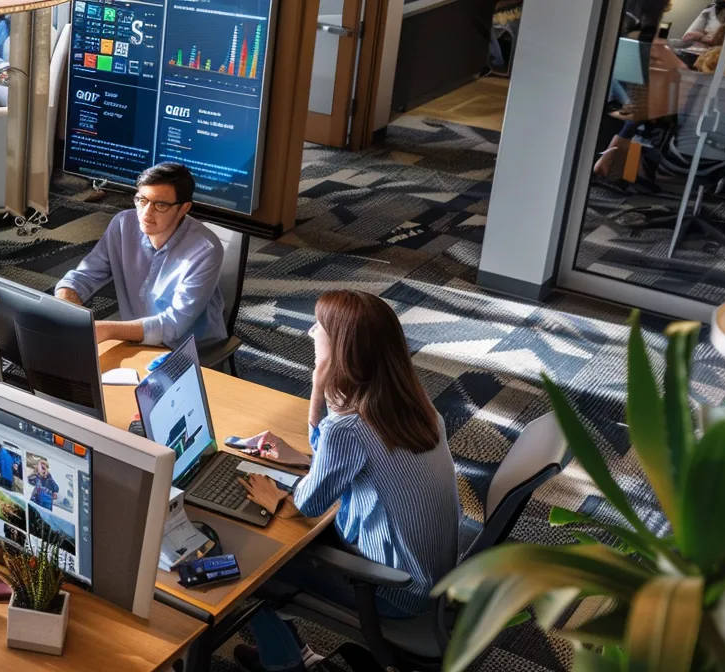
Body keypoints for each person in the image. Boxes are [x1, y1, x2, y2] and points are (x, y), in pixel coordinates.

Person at [228, 290, 459, 672]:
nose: (309, 332)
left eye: (319, 327)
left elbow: (306, 507)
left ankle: (285, 663)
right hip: (431, 577)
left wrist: (273, 496)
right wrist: (305, 457)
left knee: (246, 555)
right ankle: (287, 653)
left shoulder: (349, 428)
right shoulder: (415, 404)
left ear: (341, 348)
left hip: (392, 590)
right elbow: (358, 463)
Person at [53, 163, 227, 348]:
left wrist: (108, 330)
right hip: (135, 339)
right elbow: (84, 276)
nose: (146, 212)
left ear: (183, 209)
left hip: (186, 349)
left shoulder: (206, 250)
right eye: (142, 200)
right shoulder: (122, 224)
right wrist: (67, 297)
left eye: (160, 205)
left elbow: (173, 326)